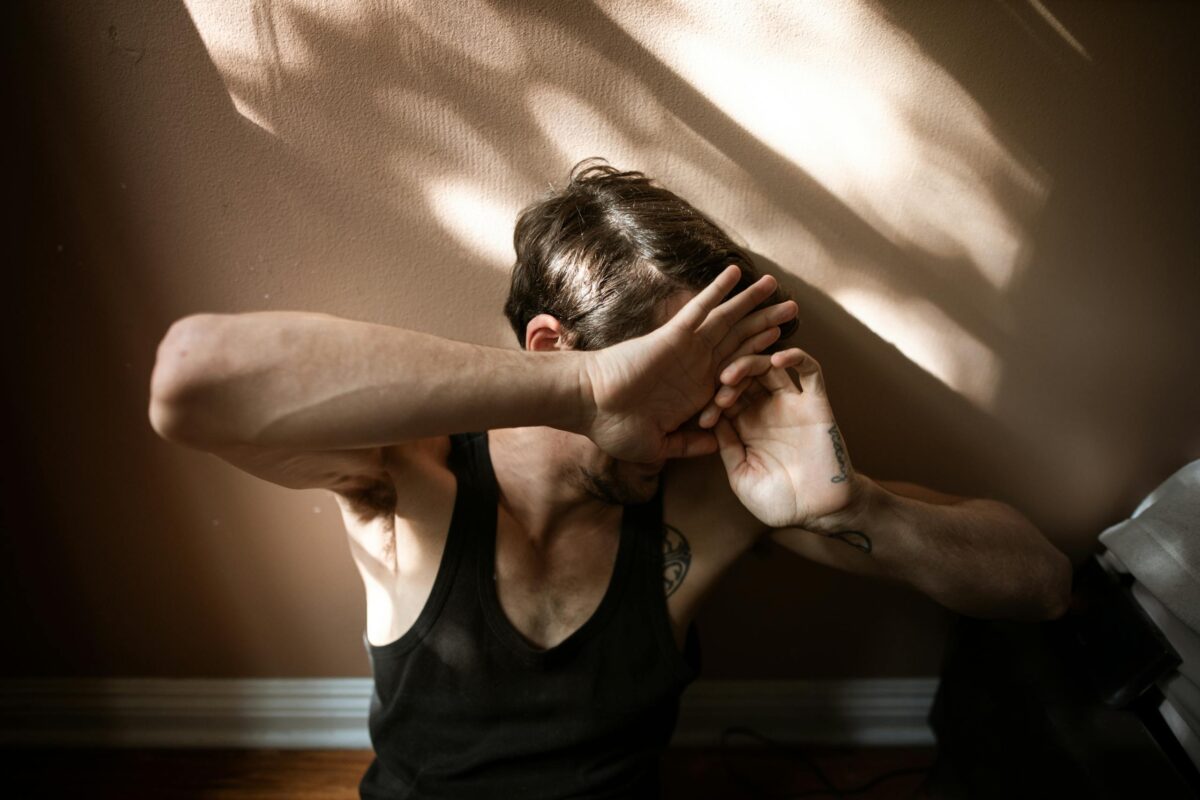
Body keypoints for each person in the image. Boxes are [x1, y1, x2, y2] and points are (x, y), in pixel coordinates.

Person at [147, 159, 1072, 799]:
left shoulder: (715, 493)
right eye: (673, 384)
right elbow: (193, 378)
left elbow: (1042, 584)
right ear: (553, 346)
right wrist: (587, 392)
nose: (704, 427)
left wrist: (854, 507)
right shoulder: (413, 475)